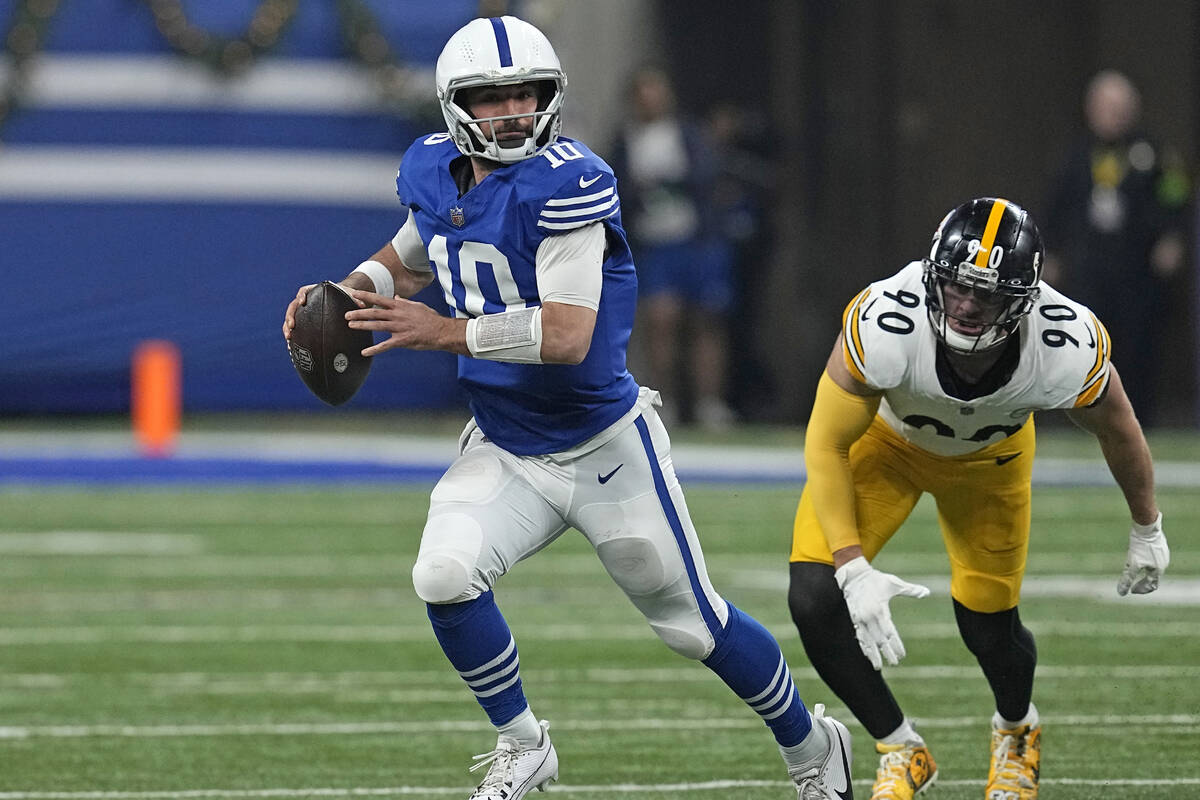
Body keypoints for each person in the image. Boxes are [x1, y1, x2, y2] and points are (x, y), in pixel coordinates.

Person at [283, 16, 853, 800]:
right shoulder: (433, 170)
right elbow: (411, 257)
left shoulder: (571, 182)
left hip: (601, 442)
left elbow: (565, 336)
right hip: (508, 442)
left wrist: (443, 333)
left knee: (691, 623)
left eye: (526, 94)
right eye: (493, 99)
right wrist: (345, 296)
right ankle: (523, 746)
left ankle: (813, 746)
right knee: (444, 573)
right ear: (457, 107)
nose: (514, 111)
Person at [786, 197, 1170, 800]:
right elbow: (826, 441)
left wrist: (1146, 523)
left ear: (1023, 299)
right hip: (885, 447)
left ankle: (1016, 730)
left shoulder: (1064, 343)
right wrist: (851, 565)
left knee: (988, 626)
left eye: (987, 296)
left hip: (992, 463)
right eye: (958, 287)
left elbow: (1118, 425)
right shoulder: (886, 320)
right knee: (814, 596)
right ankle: (900, 747)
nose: (966, 306)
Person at [1043, 69, 1191, 426]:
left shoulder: (1152, 152)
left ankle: (1140, 420)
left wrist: (1173, 237)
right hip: (1089, 270)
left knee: (1139, 347)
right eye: (1107, 106)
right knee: (1082, 344)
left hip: (1137, 270)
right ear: (1091, 109)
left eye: (1121, 106)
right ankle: (1080, 421)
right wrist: (1051, 253)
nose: (1115, 113)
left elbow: (1177, 196)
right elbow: (1056, 207)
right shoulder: (1076, 154)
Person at [607, 66, 737, 429]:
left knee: (705, 323)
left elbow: (709, 174)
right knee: (661, 321)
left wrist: (677, 177)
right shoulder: (625, 139)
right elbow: (615, 188)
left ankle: (710, 404)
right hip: (654, 246)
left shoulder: (688, 133)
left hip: (696, 242)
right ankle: (666, 401)